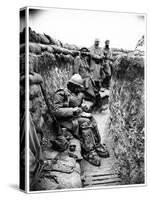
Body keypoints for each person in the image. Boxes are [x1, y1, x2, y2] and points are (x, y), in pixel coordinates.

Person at [54, 74, 109, 167]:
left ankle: (97, 144)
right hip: (66, 121)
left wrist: (84, 106)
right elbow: (56, 111)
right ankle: (89, 151)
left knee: (92, 119)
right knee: (86, 123)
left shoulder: (78, 94)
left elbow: (80, 103)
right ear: (72, 85)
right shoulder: (61, 94)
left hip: (75, 117)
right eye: (77, 87)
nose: (79, 90)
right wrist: (72, 111)